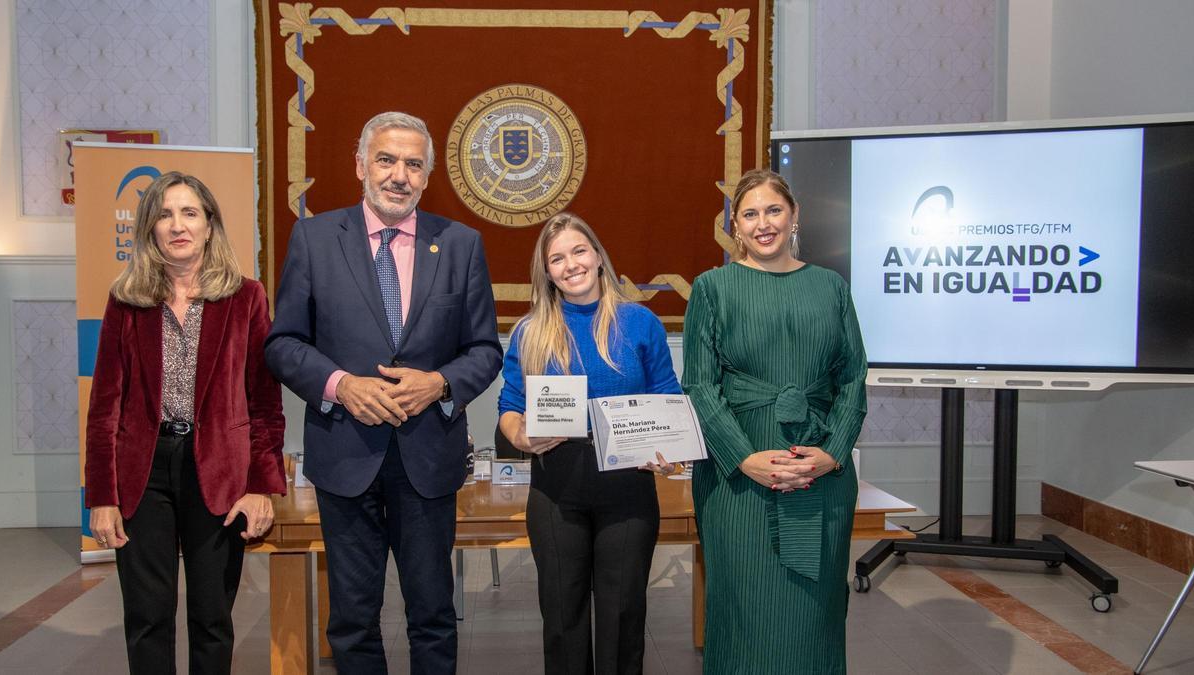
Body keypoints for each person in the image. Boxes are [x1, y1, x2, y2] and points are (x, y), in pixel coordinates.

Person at [265, 111, 502, 674]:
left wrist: (440, 382)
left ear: (427, 175)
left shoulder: (461, 244)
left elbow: (485, 351)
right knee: (351, 621)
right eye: (387, 159)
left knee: (433, 617)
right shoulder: (315, 238)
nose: (399, 175)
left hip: (428, 460)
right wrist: (340, 384)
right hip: (346, 459)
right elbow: (283, 344)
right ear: (360, 166)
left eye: (413, 164)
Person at [85, 171, 287, 674]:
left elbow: (264, 402)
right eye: (165, 214)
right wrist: (102, 496)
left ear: (210, 224)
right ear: (150, 228)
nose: (178, 225)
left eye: (190, 212)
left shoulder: (246, 297)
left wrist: (262, 485)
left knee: (212, 618)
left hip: (218, 470)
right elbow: (105, 405)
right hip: (142, 473)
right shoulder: (126, 299)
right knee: (147, 616)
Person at [682, 169, 868, 673]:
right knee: (744, 610)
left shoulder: (830, 287)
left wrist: (832, 454)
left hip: (819, 473)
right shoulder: (712, 289)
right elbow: (700, 385)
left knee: (815, 612)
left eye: (773, 210)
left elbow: (853, 378)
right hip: (738, 481)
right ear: (735, 227)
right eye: (750, 214)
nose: (763, 224)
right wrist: (744, 458)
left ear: (794, 217)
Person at [497, 212, 682, 675]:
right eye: (556, 258)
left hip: (628, 483)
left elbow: (667, 394)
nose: (570, 264)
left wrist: (667, 447)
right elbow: (510, 405)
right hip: (556, 486)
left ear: (598, 256)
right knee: (562, 616)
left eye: (579, 251)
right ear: (547, 271)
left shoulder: (639, 323)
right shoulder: (530, 331)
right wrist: (521, 435)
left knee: (623, 615)